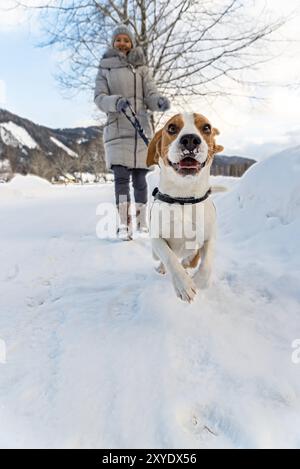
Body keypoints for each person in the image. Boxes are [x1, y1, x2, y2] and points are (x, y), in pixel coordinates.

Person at [94, 24, 170, 240]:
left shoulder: (142, 68)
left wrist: (158, 102)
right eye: (118, 39)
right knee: (120, 178)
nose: (122, 43)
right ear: (113, 42)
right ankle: (124, 224)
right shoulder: (105, 68)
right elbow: (99, 97)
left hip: (140, 129)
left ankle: (141, 222)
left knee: (139, 179)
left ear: (132, 43)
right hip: (117, 127)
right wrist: (114, 101)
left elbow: (150, 94)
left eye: (126, 40)